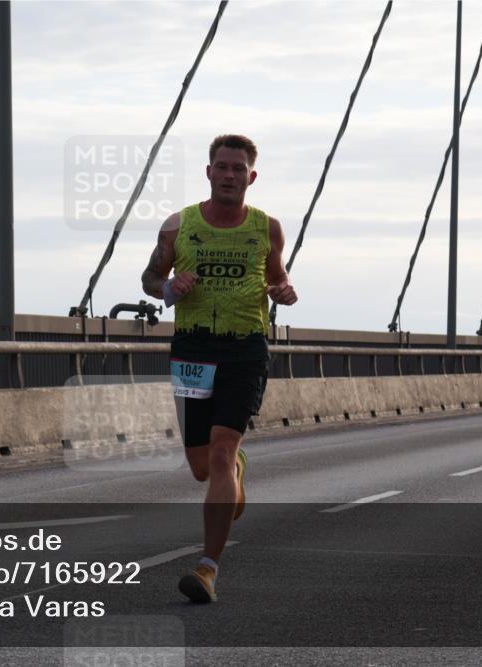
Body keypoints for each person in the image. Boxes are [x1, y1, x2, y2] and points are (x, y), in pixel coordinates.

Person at [141, 134, 297, 603]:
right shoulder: (178, 226)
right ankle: (235, 471)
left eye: (238, 168)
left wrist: (285, 291)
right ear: (209, 172)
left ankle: (207, 568)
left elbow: (278, 277)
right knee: (200, 467)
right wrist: (169, 287)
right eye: (222, 167)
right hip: (193, 347)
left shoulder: (267, 228)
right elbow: (150, 278)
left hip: (245, 348)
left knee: (223, 451)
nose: (230, 175)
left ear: (252, 176)